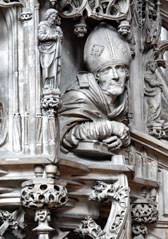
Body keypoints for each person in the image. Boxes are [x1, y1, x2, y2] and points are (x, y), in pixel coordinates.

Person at [59, 23, 132, 152]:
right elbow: (66, 135)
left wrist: (121, 139)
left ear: (127, 73)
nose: (115, 76)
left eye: (120, 69)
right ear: (97, 76)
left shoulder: (124, 100)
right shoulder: (79, 96)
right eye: (107, 70)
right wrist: (111, 128)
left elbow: (125, 131)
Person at [38, 8, 63, 92]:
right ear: (48, 16)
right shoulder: (43, 26)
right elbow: (40, 36)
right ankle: (46, 85)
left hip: (55, 50)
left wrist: (59, 36)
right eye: (52, 16)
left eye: (55, 17)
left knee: (54, 68)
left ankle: (53, 86)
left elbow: (61, 38)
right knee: (46, 67)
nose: (54, 18)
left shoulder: (56, 28)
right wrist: (52, 37)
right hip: (46, 50)